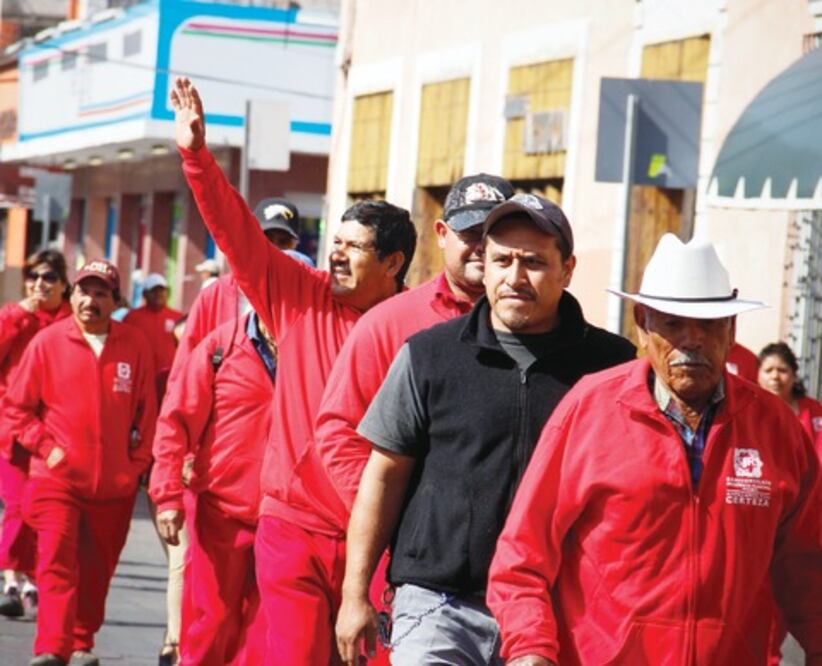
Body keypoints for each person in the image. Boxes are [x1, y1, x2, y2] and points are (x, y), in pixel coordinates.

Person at [170, 76, 417, 663]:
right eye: (336, 241)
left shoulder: (420, 328)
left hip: (380, 535)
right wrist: (197, 156)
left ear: (393, 263)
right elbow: (237, 234)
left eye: (353, 247)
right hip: (292, 525)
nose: (336, 253)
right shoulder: (299, 295)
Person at [487, 234, 822, 665]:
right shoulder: (590, 409)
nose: (692, 340)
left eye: (708, 324)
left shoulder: (776, 427)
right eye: (673, 323)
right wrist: (530, 648)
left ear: (732, 330)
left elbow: (807, 566)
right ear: (642, 325)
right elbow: (523, 554)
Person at [336, 194, 635, 665]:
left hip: (556, 611)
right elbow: (383, 476)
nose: (515, 277)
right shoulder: (427, 355)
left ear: (567, 269)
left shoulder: (612, 367)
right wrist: (355, 594)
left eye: (533, 262)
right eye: (502, 260)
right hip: (437, 607)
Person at [303, 172, 514, 664]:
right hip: (413, 570)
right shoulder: (391, 323)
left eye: (493, 234)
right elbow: (337, 431)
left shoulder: (538, 330)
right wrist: (394, 521)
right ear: (442, 234)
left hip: (510, 576)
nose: (480, 247)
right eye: (469, 233)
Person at [3, 259, 157, 666]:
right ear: (71, 297)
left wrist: (136, 465)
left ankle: (80, 642)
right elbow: (17, 408)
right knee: (55, 561)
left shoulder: (134, 344)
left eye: (101, 293)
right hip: (55, 480)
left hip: (114, 486)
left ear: (116, 301)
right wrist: (47, 448)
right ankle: (51, 647)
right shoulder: (48, 343)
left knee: (96, 570)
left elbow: (148, 412)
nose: (91, 300)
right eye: (84, 292)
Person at [150, 308, 276, 665]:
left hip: (285, 518)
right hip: (220, 510)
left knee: (263, 634)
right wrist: (167, 495)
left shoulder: (313, 343)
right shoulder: (220, 346)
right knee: (210, 623)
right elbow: (175, 421)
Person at [0, 250, 72, 619]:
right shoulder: (13, 316)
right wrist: (17, 316)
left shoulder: (73, 322)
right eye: (34, 276)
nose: (40, 284)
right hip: (13, 429)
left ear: (64, 284)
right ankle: (11, 579)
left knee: (40, 509)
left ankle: (31, 576)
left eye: (49, 277)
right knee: (16, 504)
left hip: (57, 433)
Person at [758, 342, 822, 456]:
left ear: (794, 375)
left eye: (782, 370)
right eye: (768, 370)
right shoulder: (748, 411)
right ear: (758, 375)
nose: (775, 376)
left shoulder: (814, 411)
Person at [123, 273, 183, 389]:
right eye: (153, 291)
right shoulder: (132, 318)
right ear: (144, 294)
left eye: (161, 290)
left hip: (169, 379)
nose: (158, 294)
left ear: (168, 292)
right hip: (140, 377)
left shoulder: (178, 318)